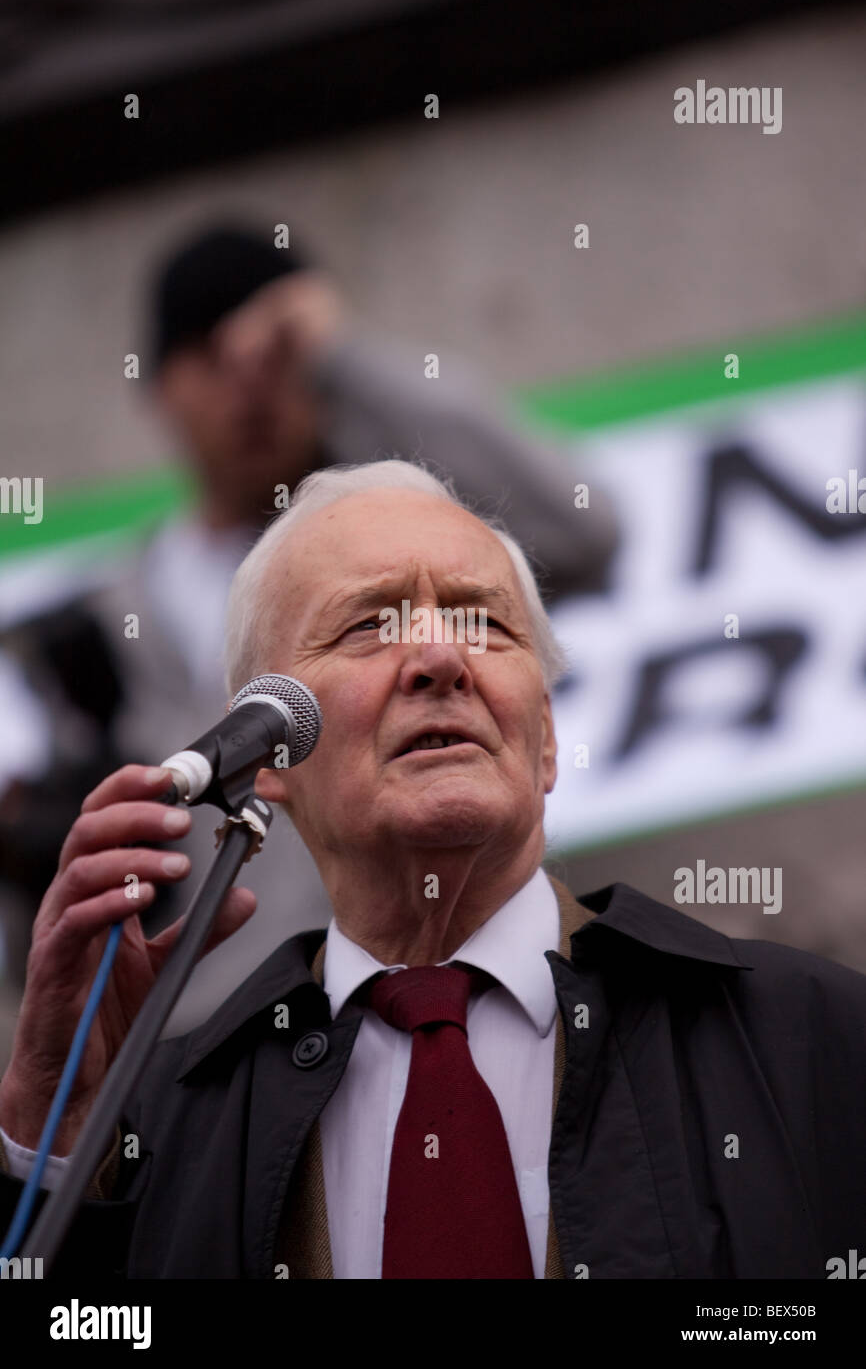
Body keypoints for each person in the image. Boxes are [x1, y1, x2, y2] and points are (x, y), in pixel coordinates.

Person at [0, 459, 863, 1280]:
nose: (441, 659)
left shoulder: (812, 1040)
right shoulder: (167, 1130)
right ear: (266, 754)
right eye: (369, 624)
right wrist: (59, 1134)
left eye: (482, 621)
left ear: (548, 738)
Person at [0, 224, 618, 1029]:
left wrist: (340, 353)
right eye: (212, 357)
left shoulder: (416, 547)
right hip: (202, 1069)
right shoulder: (81, 643)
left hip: (431, 1012)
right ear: (157, 388)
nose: (251, 385)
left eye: (278, 354)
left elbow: (581, 534)